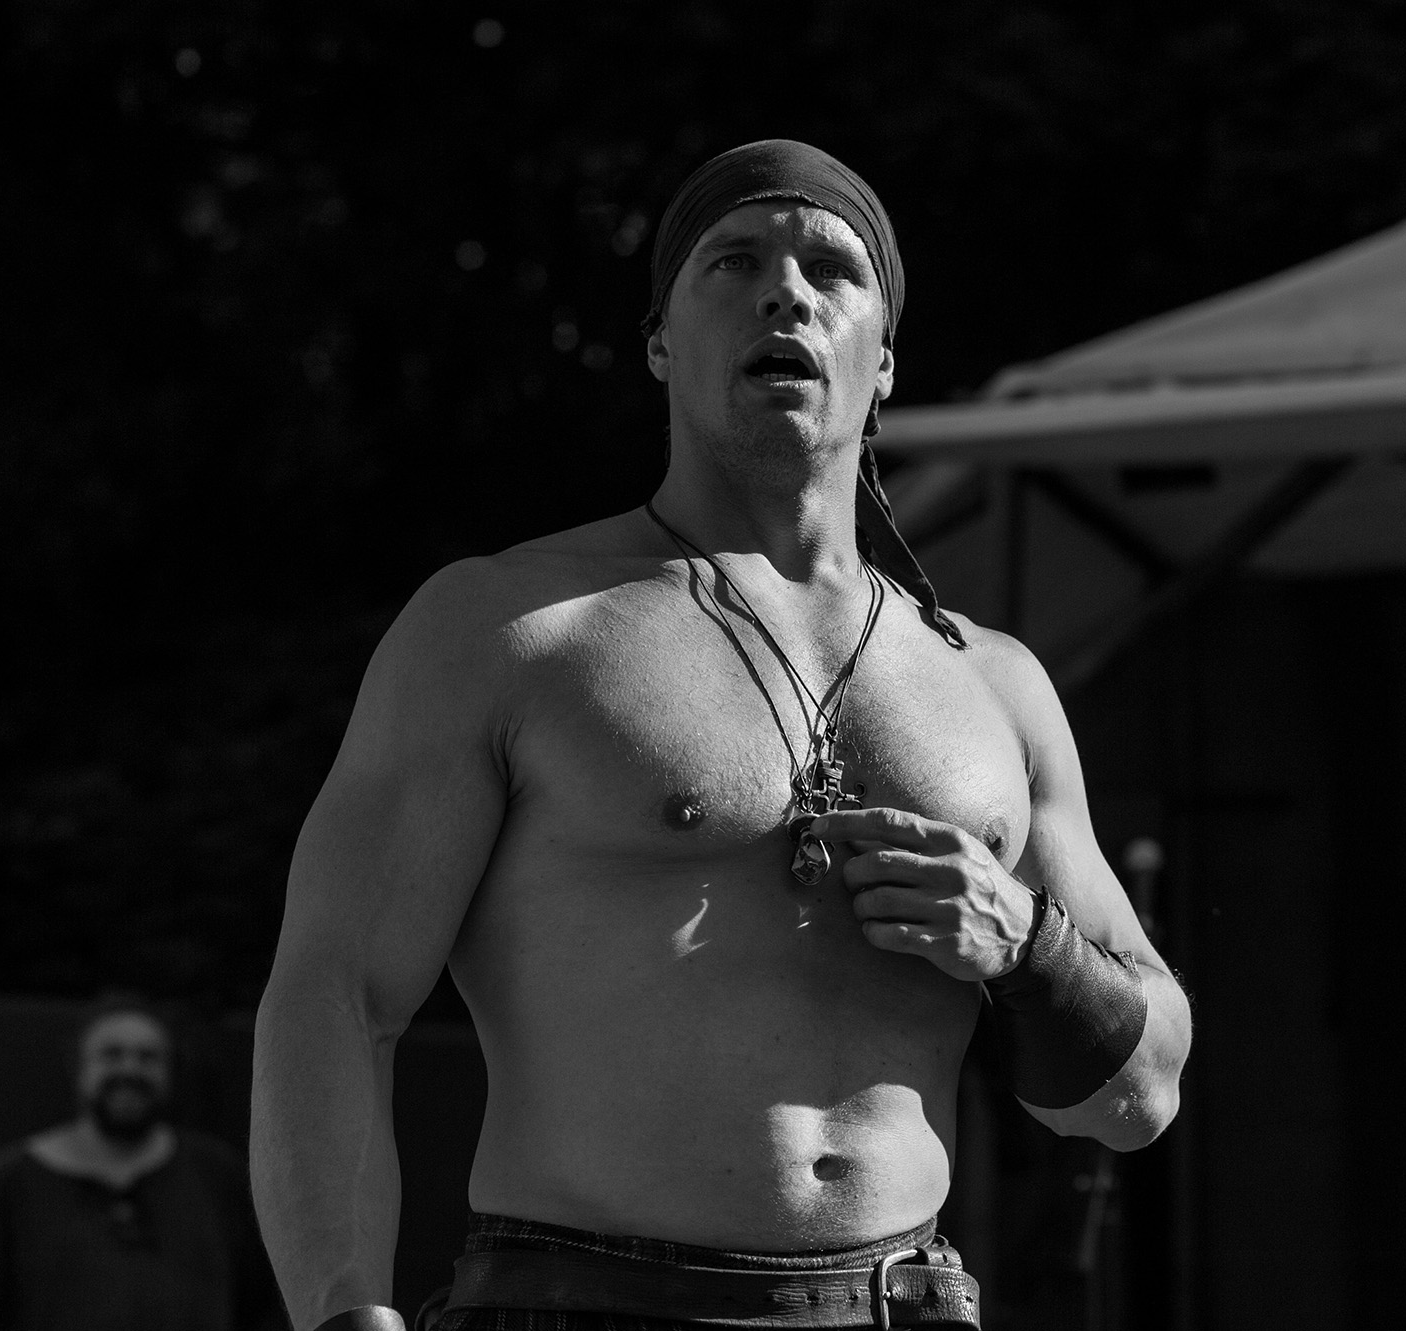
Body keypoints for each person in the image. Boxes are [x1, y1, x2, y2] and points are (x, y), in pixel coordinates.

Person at [251, 138, 1193, 1331]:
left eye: (831, 268)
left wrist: (1024, 943)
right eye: (733, 261)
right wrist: (343, 1309)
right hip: (585, 1305)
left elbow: (1136, 1097)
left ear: (884, 360)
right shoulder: (505, 630)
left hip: (901, 1301)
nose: (785, 292)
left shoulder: (994, 686)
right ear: (658, 342)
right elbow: (335, 995)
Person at [0, 996, 282, 1331]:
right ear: (80, 1068)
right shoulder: (10, 1186)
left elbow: (271, 1305)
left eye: (148, 1057)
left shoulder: (216, 1177)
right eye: (111, 1054)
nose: (130, 1069)